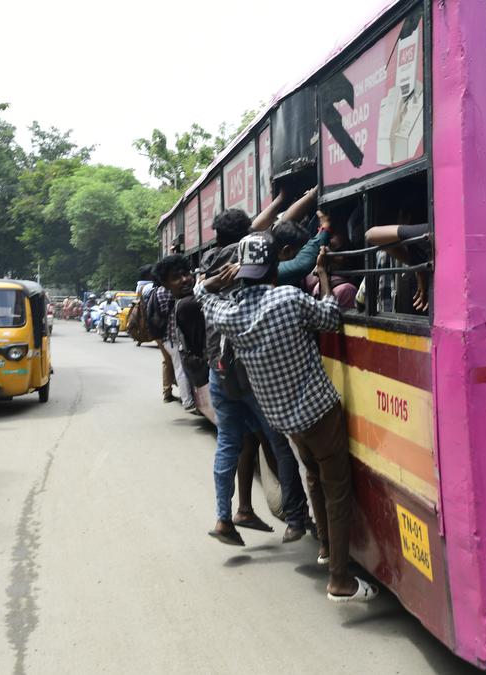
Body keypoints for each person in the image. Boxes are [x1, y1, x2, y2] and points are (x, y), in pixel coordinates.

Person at [196, 233, 377, 603]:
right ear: (274, 268)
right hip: (319, 413)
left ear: (240, 272)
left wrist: (214, 280)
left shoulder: (229, 314)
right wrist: (324, 275)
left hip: (285, 422)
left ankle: (326, 547)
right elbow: (330, 316)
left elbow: (202, 295)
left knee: (313, 475)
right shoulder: (288, 298)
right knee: (337, 490)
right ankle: (339, 579)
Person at [181, 209, 313, 546]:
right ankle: (297, 519)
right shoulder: (248, 261)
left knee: (229, 444)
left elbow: (199, 294)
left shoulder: (211, 264)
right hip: (250, 373)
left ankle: (225, 518)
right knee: (279, 442)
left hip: (219, 369)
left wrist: (208, 283)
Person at [152, 256, 196, 413]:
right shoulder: (166, 293)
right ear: (165, 282)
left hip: (172, 338)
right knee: (180, 368)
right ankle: (188, 402)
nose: (184, 280)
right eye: (176, 278)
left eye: (185, 274)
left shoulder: (162, 292)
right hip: (173, 338)